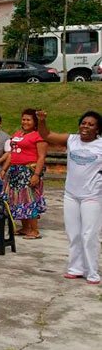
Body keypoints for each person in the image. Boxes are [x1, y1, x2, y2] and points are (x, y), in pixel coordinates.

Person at [37, 110, 102, 284]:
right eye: (83, 123)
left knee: (89, 234)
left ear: (98, 129)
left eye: (91, 124)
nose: (85, 127)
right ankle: (75, 268)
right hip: (71, 195)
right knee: (73, 233)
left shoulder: (100, 145)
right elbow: (47, 135)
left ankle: (92, 271)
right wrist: (42, 120)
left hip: (92, 196)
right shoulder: (71, 140)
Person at [0, 108, 48, 239]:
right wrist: (4, 169)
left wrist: (36, 175)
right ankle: (25, 227)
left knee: (29, 199)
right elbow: (12, 153)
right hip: (15, 171)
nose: (25, 122)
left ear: (35, 121)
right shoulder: (18, 134)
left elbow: (41, 157)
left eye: (28, 119)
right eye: (23, 119)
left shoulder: (38, 135)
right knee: (17, 199)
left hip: (28, 171)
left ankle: (34, 230)